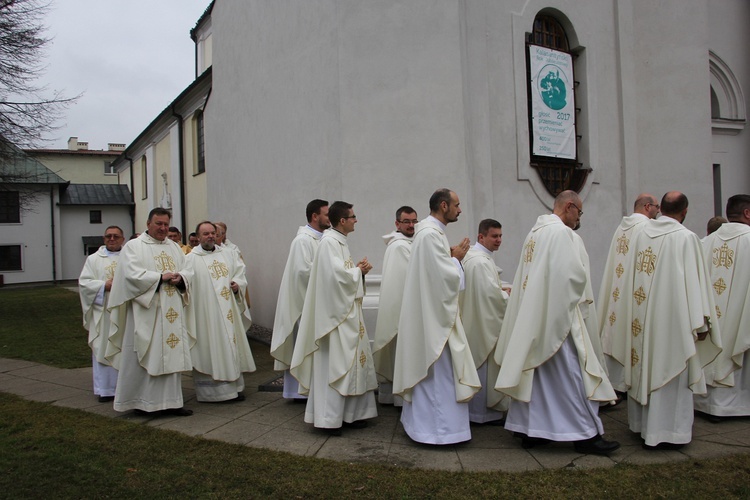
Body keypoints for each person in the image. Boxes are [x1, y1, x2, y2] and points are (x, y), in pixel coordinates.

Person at [494, 191, 619, 455]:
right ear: (570, 207)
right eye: (580, 213)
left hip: (532, 318)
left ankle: (530, 430)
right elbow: (572, 277)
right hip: (555, 318)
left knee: (536, 376)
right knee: (572, 376)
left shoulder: (534, 233)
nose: (578, 219)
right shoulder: (561, 233)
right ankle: (586, 435)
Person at [609, 191, 722, 449]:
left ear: (661, 209)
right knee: (670, 369)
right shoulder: (686, 238)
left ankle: (641, 426)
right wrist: (701, 323)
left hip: (643, 320)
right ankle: (669, 433)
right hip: (674, 322)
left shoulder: (642, 234)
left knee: (645, 367)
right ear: (684, 211)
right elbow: (694, 283)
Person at [393, 188, 479, 445]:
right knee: (439, 376)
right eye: (457, 205)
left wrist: (450, 257)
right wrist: (457, 260)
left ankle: (429, 428)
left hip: (431, 315)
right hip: (435, 322)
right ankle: (439, 432)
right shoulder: (430, 235)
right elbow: (444, 279)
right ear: (443, 206)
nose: (460, 210)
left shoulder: (430, 233)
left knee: (437, 376)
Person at [290, 201, 377, 434]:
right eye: (353, 216)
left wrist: (358, 270)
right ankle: (329, 419)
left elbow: (342, 274)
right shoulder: (329, 243)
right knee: (335, 366)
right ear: (342, 221)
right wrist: (358, 272)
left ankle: (352, 414)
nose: (356, 220)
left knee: (351, 366)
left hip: (346, 316)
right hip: (335, 321)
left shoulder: (339, 242)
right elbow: (334, 280)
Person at [106, 207, 194, 416]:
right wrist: (159, 278)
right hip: (146, 313)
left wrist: (181, 278)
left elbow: (187, 270)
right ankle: (145, 403)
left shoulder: (174, 247)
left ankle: (172, 402)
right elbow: (130, 275)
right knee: (146, 354)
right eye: (158, 223)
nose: (163, 228)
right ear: (148, 224)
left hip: (171, 311)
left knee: (171, 354)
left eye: (166, 224)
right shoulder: (134, 247)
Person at [182, 221, 256, 403]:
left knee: (231, 345)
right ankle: (212, 393)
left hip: (229, 311)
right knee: (211, 347)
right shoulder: (191, 259)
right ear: (198, 237)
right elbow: (186, 284)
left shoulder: (228, 254)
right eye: (205, 234)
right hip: (207, 315)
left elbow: (240, 273)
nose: (210, 236)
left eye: (212, 233)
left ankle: (235, 388)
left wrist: (237, 285)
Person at [695, 194, 750, 420]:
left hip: (710, 321)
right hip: (740, 318)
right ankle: (735, 406)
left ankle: (705, 403)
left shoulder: (705, 241)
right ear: (747, 213)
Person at [599, 194, 659, 394]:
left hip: (618, 288)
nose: (658, 211)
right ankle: (625, 382)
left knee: (613, 330)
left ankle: (613, 382)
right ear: (648, 206)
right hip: (633, 291)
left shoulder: (622, 226)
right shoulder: (645, 227)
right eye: (656, 207)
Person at [271, 199, 330, 400]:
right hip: (303, 305)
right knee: (302, 347)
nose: (330, 218)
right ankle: (298, 392)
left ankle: (311, 390)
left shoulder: (323, 238)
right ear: (315, 216)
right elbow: (302, 273)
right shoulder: (303, 241)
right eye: (326, 214)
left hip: (317, 305)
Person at [459, 218, 508, 424]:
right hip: (481, 323)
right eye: (494, 236)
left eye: (500, 236)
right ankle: (481, 415)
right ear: (481, 236)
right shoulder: (479, 262)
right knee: (483, 367)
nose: (498, 240)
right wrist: (508, 298)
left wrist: (500, 290)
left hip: (475, 319)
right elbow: (489, 297)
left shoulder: (477, 257)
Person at [372, 205, 418, 406]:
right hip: (401, 312)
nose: (411, 225)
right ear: (397, 223)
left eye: (414, 221)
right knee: (400, 355)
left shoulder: (410, 243)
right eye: (406, 221)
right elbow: (411, 277)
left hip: (406, 310)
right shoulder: (399, 246)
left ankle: (395, 396)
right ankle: (399, 399)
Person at [78, 225, 125, 402]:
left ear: (123, 239)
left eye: (116, 236)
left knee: (124, 348)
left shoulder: (129, 257)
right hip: (104, 312)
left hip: (125, 311)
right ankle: (105, 389)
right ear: (103, 239)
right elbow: (84, 283)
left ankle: (125, 387)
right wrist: (103, 286)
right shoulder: (93, 259)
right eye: (108, 236)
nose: (112, 239)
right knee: (104, 347)